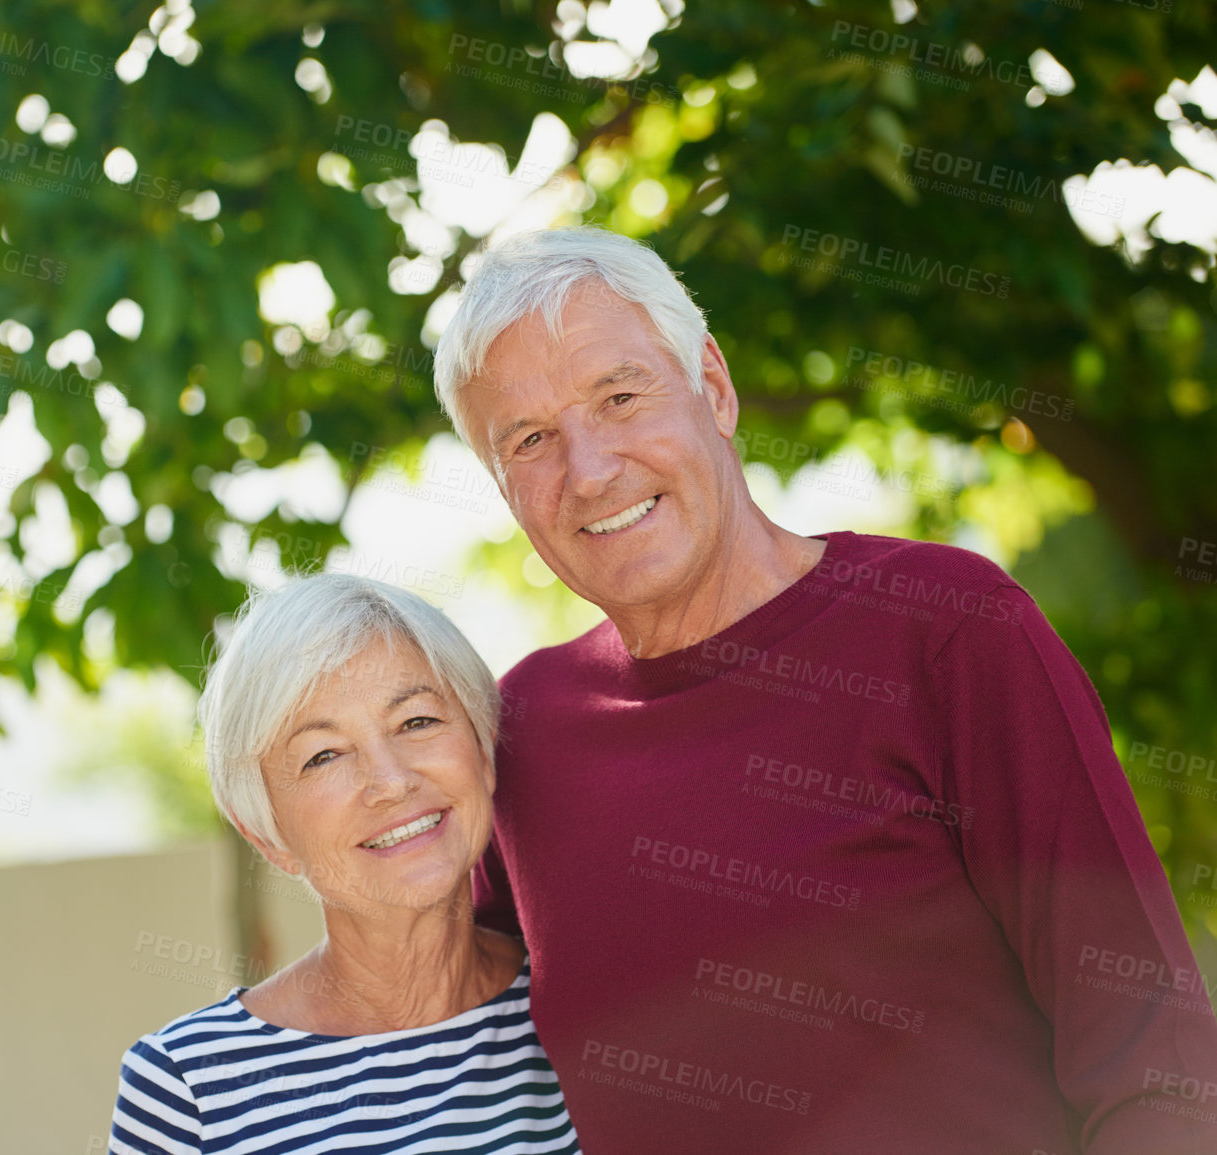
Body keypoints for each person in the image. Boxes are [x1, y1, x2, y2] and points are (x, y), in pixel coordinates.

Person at [432, 224, 1217, 1153]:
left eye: (619, 395)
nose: (590, 470)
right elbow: (432, 1049)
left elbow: (1154, 1066)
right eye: (529, 440)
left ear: (712, 388)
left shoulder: (946, 630)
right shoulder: (518, 740)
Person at [107, 573, 580, 1154]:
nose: (390, 781)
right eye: (323, 756)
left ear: (483, 753)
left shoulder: (583, 999)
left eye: (416, 721)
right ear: (266, 834)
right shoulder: (190, 1090)